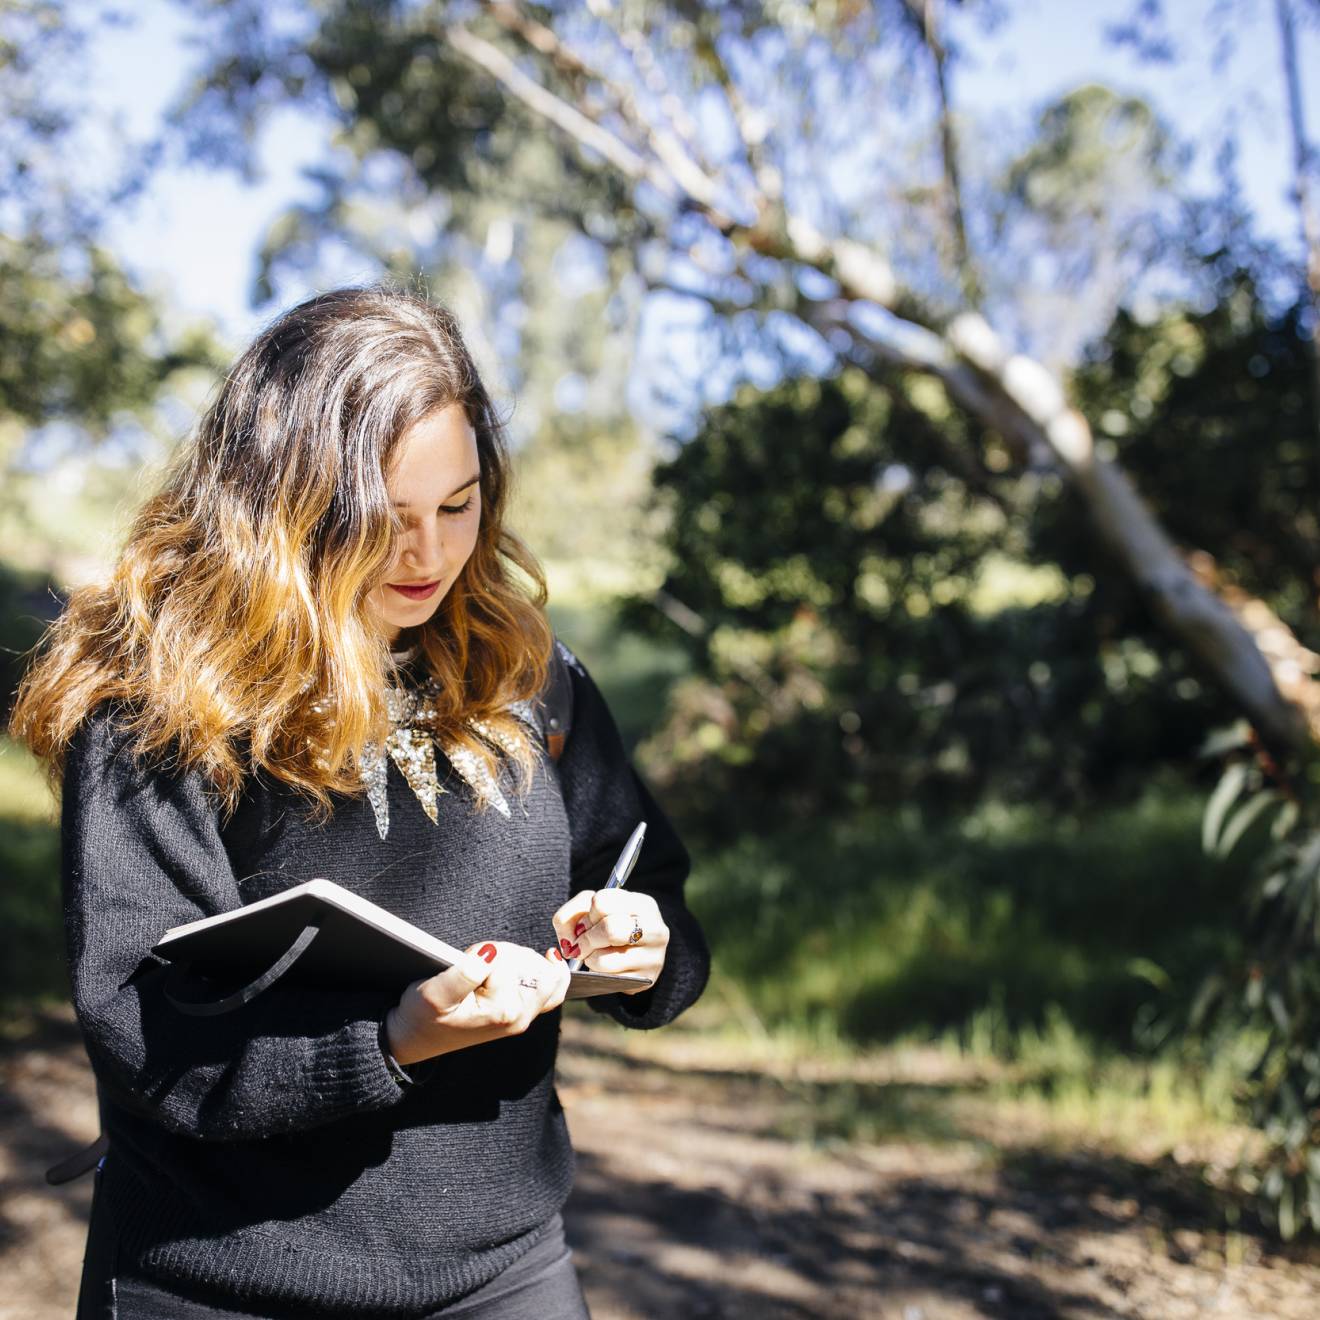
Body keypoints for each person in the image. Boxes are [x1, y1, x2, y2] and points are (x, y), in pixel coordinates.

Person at [7, 285, 710, 1318]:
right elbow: (139, 1026)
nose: (429, 555)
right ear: (281, 499)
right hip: (216, 1283)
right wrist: (389, 1041)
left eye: (459, 507)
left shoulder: (529, 674)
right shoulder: (157, 700)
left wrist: (645, 952)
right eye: (385, 518)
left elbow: (649, 886)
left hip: (506, 1276)